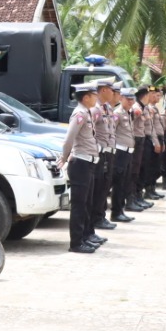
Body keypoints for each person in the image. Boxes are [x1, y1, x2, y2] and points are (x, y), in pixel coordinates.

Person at [59, 82, 103, 254]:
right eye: (94, 95)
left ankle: (84, 237)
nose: (96, 98)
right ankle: (76, 243)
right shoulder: (80, 114)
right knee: (79, 205)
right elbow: (69, 138)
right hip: (80, 164)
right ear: (86, 97)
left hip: (88, 163)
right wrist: (64, 157)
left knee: (86, 203)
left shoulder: (87, 112)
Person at [91, 79, 120, 231]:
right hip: (99, 153)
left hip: (108, 152)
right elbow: (90, 131)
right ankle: (96, 218)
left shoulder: (107, 108)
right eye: (111, 90)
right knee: (98, 187)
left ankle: (100, 216)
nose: (113, 93)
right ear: (103, 90)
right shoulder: (95, 109)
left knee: (105, 186)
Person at [115, 88, 148, 214]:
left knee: (128, 178)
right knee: (119, 182)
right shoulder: (118, 113)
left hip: (129, 150)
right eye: (127, 99)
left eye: (132, 99)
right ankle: (118, 210)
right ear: (121, 99)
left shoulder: (128, 113)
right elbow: (111, 133)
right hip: (120, 151)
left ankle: (124, 206)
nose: (130, 101)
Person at [133, 87, 164, 202]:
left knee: (147, 168)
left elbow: (151, 128)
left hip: (147, 140)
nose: (155, 96)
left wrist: (156, 141)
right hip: (140, 140)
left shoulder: (146, 108)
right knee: (139, 169)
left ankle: (142, 194)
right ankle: (137, 196)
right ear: (146, 95)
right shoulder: (137, 108)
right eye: (152, 93)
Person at [139, 86, 166, 198]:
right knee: (149, 167)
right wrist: (156, 142)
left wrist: (160, 141)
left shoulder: (151, 108)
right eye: (153, 93)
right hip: (147, 139)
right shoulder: (144, 108)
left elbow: (155, 127)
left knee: (155, 167)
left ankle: (151, 189)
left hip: (156, 138)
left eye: (157, 94)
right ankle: (147, 190)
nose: (156, 96)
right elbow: (150, 128)